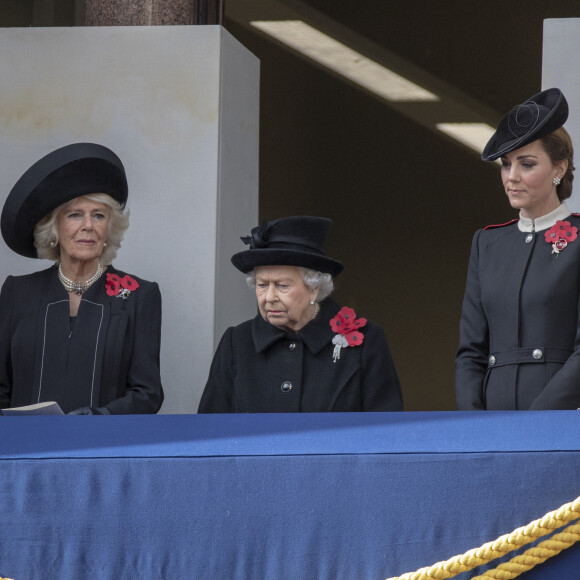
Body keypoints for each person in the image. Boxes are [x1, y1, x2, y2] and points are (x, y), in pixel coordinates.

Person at [0, 143, 163, 414]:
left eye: (98, 215)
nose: (88, 225)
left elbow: (148, 394)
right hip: (24, 449)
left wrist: (101, 417)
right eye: (75, 215)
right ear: (54, 228)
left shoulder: (137, 296)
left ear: (108, 228)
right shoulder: (18, 293)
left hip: (103, 449)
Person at [198, 216, 402, 412]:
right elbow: (209, 432)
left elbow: (385, 432)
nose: (269, 297)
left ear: (314, 288)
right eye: (262, 285)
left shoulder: (366, 342)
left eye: (282, 285)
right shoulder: (237, 343)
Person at [455, 87, 579, 410]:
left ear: (559, 168)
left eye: (526, 164)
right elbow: (471, 351)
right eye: (505, 164)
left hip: (559, 421)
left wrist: (538, 420)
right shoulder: (487, 243)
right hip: (492, 428)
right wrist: (474, 422)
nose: (511, 177)